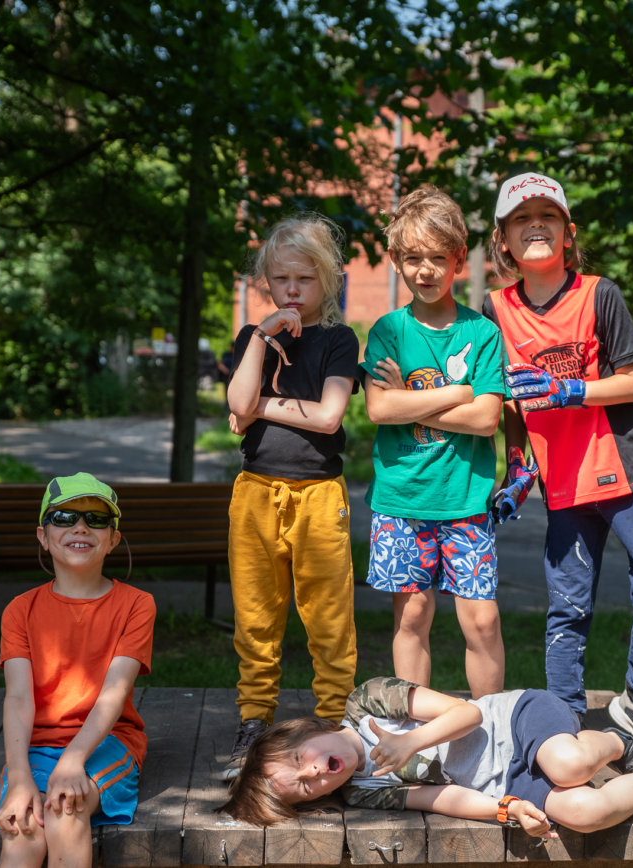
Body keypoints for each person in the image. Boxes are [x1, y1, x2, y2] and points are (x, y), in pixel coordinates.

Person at [481, 173, 633, 745]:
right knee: (567, 605)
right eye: (521, 218)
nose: (535, 225)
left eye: (548, 215)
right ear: (503, 241)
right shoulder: (494, 309)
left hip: (630, 467)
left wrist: (571, 390)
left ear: (568, 234)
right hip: (562, 479)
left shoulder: (599, 294)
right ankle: (565, 713)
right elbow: (508, 403)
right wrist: (517, 466)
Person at [218, 677, 633, 832]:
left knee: (568, 765)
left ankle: (620, 742)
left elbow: (467, 714)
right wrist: (506, 809)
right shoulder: (364, 792)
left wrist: (410, 741)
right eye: (307, 788)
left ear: (304, 732)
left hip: (514, 720)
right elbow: (441, 798)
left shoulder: (367, 702)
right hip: (503, 780)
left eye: (300, 761)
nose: (314, 773)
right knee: (582, 812)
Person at [222, 213, 360, 780]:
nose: (292, 291)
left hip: (320, 495)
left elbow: (329, 417)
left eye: (305, 279)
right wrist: (261, 338)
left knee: (329, 619)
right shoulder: (252, 339)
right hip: (256, 492)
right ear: (267, 281)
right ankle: (254, 721)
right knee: (256, 617)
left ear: (327, 279)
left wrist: (258, 407)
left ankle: (336, 720)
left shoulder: (338, 340)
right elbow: (236, 402)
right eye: (281, 279)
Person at [360, 185, 507, 699]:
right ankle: (412, 727)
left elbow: (486, 418)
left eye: (438, 258)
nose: (425, 270)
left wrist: (410, 397)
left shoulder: (482, 333)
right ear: (395, 260)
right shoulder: (388, 332)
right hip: (401, 501)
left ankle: (492, 727)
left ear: (459, 260)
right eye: (413, 258)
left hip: (466, 501)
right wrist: (460, 393)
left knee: (483, 622)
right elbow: (379, 410)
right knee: (412, 616)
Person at [0, 473, 155, 868]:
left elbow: (115, 692)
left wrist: (73, 760)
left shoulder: (137, 604)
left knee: (66, 807)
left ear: (113, 540)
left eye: (97, 519)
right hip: (35, 748)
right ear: (43, 536)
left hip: (106, 742)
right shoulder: (19, 610)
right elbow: (18, 698)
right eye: (64, 517)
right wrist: (19, 778)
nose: (81, 527)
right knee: (23, 826)